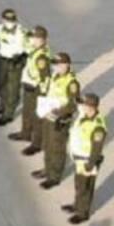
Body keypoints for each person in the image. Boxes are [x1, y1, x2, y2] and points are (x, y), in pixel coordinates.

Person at [34, 52, 80, 188]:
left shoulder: (72, 83)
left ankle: (54, 176)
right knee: (47, 144)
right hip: (49, 116)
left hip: (60, 119)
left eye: (60, 65)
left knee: (57, 148)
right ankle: (47, 169)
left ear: (67, 65)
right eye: (55, 64)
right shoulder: (55, 77)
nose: (57, 67)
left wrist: (59, 112)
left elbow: (72, 104)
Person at [64, 93, 107, 225]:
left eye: (84, 104)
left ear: (91, 107)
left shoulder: (97, 126)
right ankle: (77, 204)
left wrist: (90, 164)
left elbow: (96, 148)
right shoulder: (85, 116)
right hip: (79, 159)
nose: (81, 106)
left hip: (87, 160)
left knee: (85, 187)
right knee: (79, 184)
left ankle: (82, 213)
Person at [9, 26, 50, 147]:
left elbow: (45, 77)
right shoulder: (34, 50)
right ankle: (25, 133)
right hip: (29, 86)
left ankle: (37, 142)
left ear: (40, 39)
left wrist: (42, 94)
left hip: (36, 89)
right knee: (27, 112)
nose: (31, 40)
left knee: (36, 115)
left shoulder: (42, 57)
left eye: (33, 38)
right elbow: (24, 44)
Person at [0, 9, 27, 126]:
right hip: (3, 59)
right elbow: (0, 41)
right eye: (7, 20)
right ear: (2, 19)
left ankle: (8, 114)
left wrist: (20, 58)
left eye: (11, 20)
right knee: (2, 83)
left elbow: (25, 47)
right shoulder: (0, 28)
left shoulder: (21, 32)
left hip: (15, 61)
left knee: (13, 87)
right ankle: (2, 105)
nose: (9, 22)